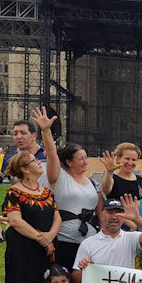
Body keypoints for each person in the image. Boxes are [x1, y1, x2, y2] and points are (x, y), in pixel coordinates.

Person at [2, 152, 61, 283]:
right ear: (25, 169)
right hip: (22, 248)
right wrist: (41, 238)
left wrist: (50, 236)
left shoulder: (46, 191)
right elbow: (16, 221)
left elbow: (57, 216)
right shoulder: (14, 193)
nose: (39, 163)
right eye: (34, 161)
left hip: (45, 248)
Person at [37, 107, 103, 272]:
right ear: (69, 161)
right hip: (64, 241)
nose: (85, 161)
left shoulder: (92, 183)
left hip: (89, 242)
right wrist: (46, 131)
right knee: (63, 281)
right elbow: (52, 154)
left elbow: (100, 213)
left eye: (86, 158)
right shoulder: (60, 179)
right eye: (81, 158)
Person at [70, 196, 142, 283]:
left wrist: (137, 219)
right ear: (101, 215)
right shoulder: (88, 243)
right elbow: (76, 281)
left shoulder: (131, 238)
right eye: (110, 212)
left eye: (118, 213)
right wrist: (84, 270)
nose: (114, 217)